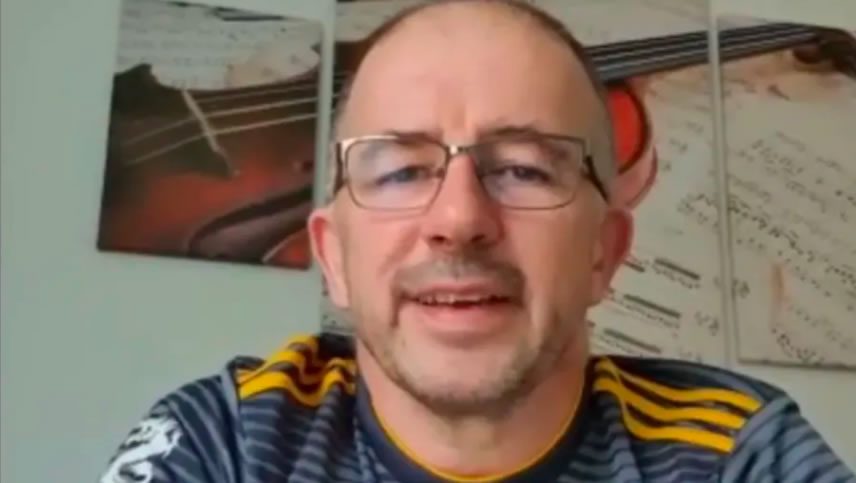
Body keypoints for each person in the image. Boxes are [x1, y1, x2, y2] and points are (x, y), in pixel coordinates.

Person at [99, 1, 855, 482]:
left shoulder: (737, 454)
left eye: (524, 167)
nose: (458, 218)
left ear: (605, 250)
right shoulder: (226, 441)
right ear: (331, 254)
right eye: (398, 170)